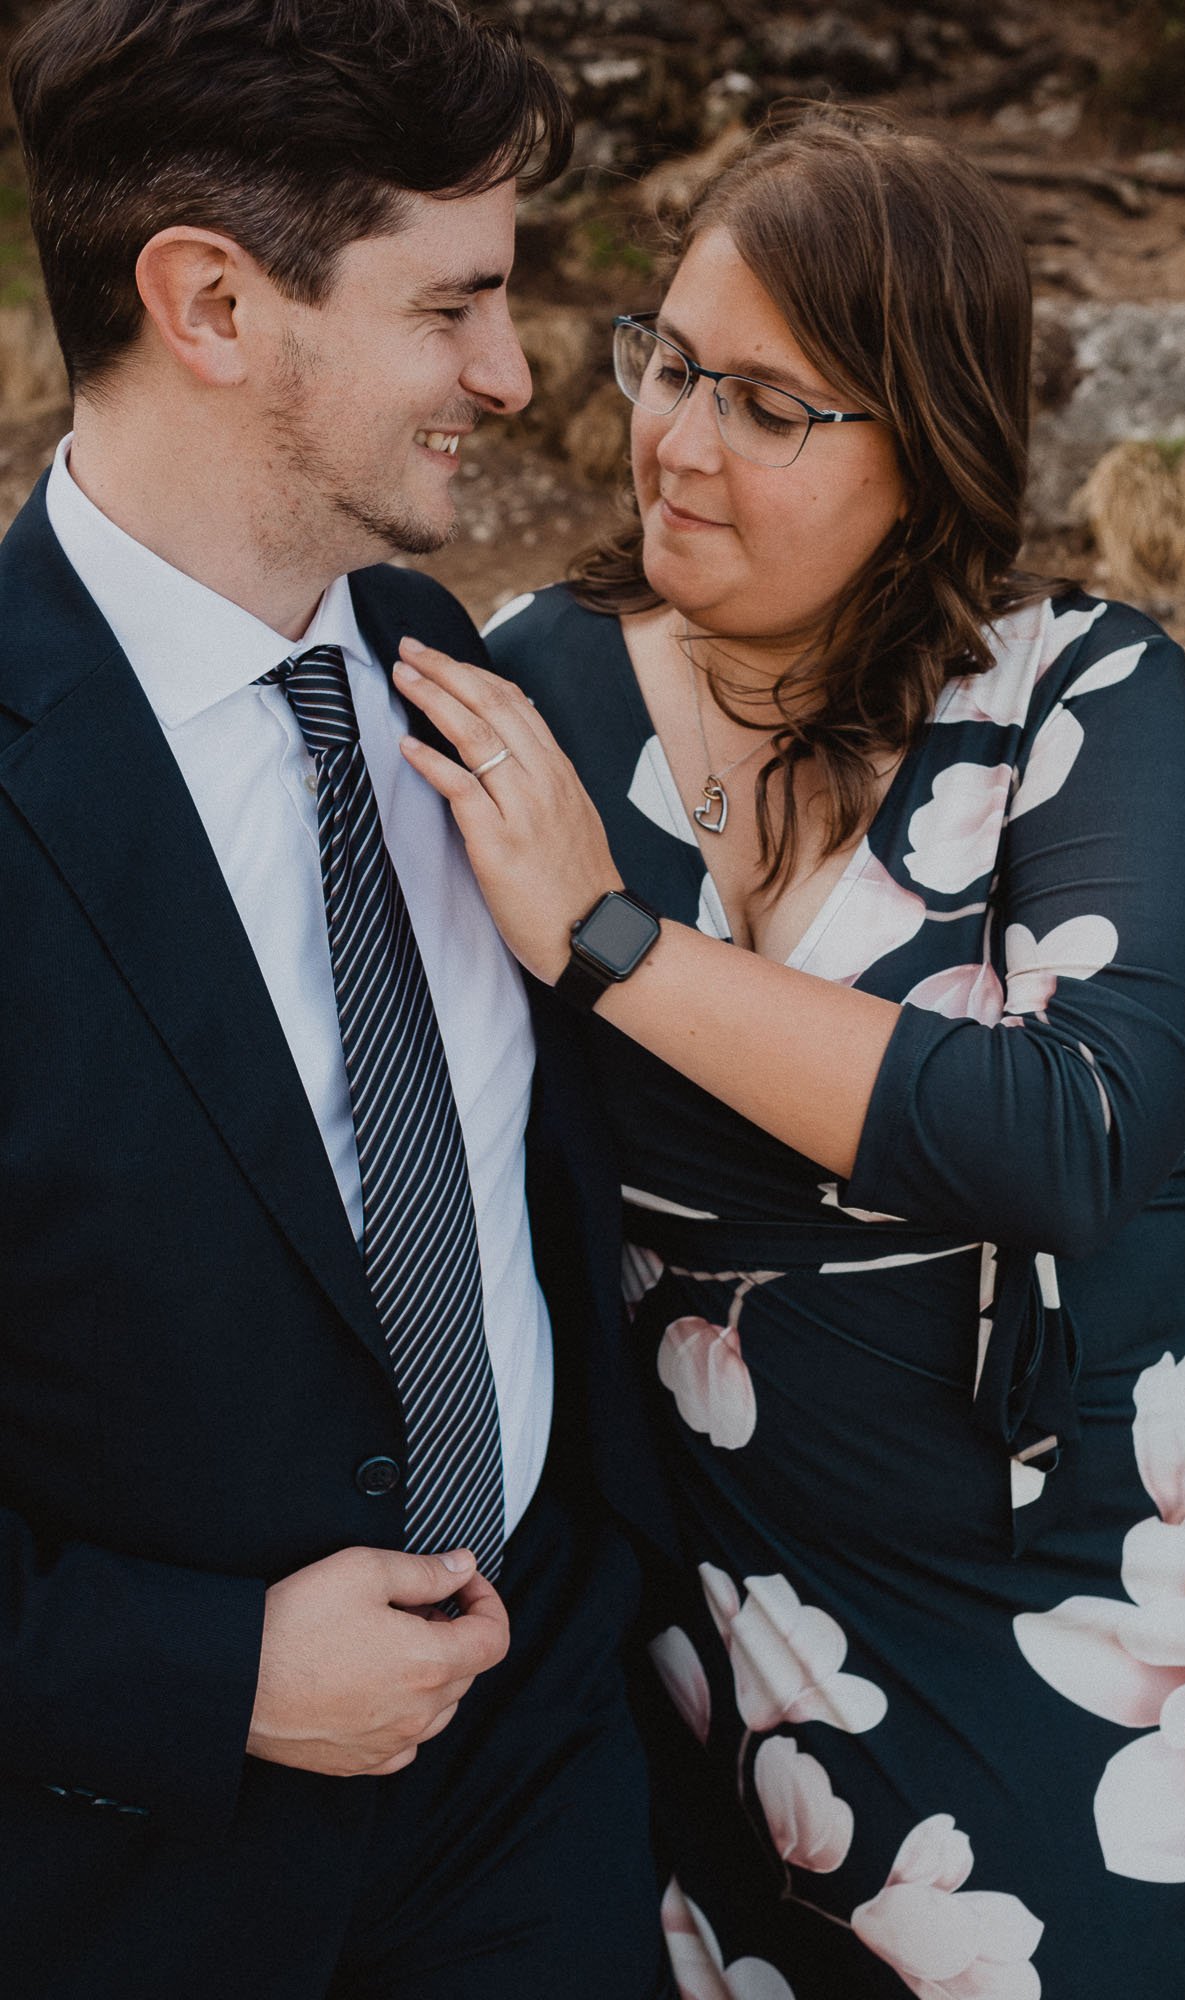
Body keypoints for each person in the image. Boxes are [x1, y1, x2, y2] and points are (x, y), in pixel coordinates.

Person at [394, 108, 1185, 1998]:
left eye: (765, 402)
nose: (672, 435)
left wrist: (614, 941)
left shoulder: (1074, 686)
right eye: (665, 360)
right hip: (757, 1566)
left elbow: (1069, 1129)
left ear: (926, 442)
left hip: (1141, 1516)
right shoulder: (526, 694)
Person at [0, 3, 670, 1995]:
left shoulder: (423, 648)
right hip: (136, 1872)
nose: (515, 370)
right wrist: (210, 1675)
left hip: (538, 1758)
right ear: (210, 302)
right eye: (450, 304)